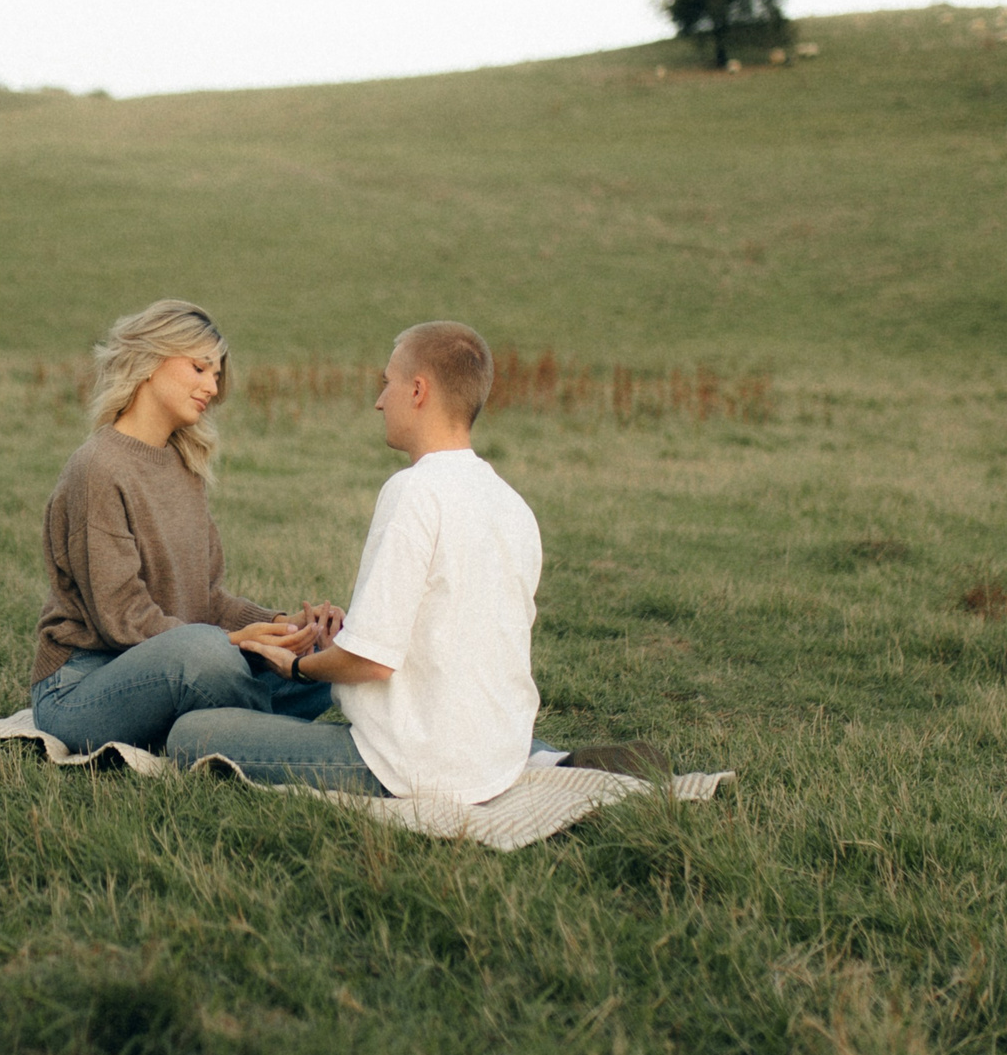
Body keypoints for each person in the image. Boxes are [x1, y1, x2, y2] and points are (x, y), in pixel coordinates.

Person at [169, 321, 658, 801]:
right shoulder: (512, 504)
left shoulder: (413, 491)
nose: (380, 400)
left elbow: (372, 663)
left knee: (191, 734)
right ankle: (544, 758)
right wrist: (342, 637)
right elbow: (454, 634)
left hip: (413, 764)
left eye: (387, 383)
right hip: (497, 749)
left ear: (418, 390)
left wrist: (299, 666)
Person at [29, 300, 336, 754]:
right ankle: (260, 734)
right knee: (207, 655)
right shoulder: (98, 468)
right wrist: (234, 644)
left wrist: (281, 627)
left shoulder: (184, 464)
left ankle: (226, 726)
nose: (212, 386)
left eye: (216, 375)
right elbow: (123, 618)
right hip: (82, 689)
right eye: (199, 368)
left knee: (332, 654)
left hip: (178, 662)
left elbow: (205, 599)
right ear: (150, 360)